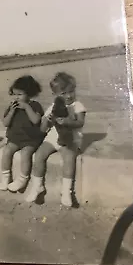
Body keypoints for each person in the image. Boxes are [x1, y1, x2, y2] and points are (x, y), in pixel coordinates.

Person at [27, 72, 86, 207]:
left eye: (71, 91)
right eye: (64, 93)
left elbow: (80, 123)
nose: (69, 96)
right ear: (55, 95)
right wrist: (46, 121)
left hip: (71, 140)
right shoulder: (52, 108)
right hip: (54, 138)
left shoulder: (78, 106)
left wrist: (65, 121)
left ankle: (66, 191)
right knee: (39, 155)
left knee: (69, 158)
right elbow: (43, 129)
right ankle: (37, 186)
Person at [0, 75, 45, 192]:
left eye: (20, 94)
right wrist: (11, 112)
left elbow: (36, 120)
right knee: (7, 151)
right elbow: (5, 123)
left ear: (29, 94)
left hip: (30, 139)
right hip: (15, 138)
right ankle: (5, 177)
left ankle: (22, 179)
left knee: (25, 153)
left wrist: (26, 107)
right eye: (14, 94)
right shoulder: (12, 107)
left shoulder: (35, 105)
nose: (16, 97)